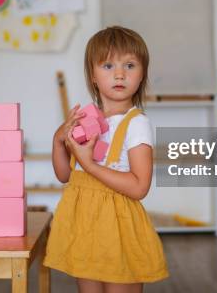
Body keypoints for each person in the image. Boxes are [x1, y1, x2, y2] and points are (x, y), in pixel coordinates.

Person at [44, 26, 168, 293]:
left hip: (119, 230)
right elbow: (65, 175)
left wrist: (88, 164)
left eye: (130, 65)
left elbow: (139, 187)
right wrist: (58, 141)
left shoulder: (136, 124)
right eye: (109, 65)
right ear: (93, 75)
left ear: (142, 74)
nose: (120, 73)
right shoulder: (85, 121)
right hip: (85, 226)